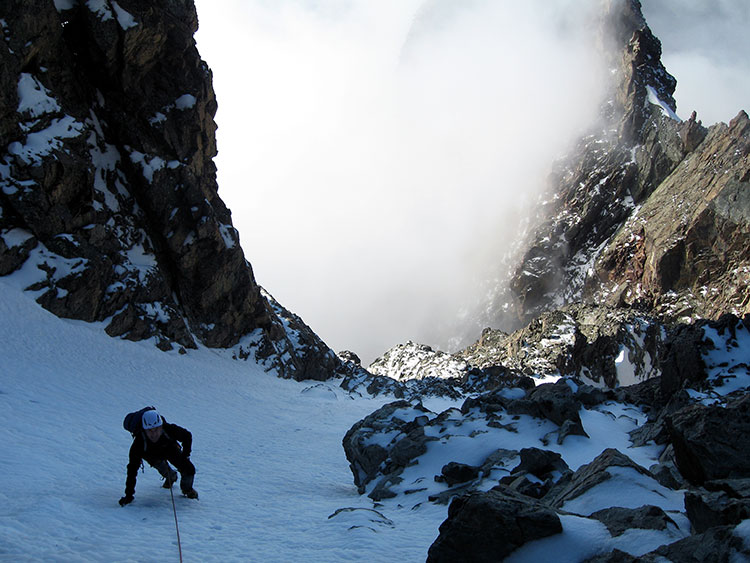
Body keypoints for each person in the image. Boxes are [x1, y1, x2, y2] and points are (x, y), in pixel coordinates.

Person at [119, 409, 198, 506]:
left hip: (170, 449)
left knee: (189, 469)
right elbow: (132, 470)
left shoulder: (169, 429)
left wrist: (185, 455)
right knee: (163, 468)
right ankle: (171, 477)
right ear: (144, 429)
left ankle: (187, 490)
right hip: (151, 454)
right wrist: (129, 496)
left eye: (156, 429)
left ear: (161, 426)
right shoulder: (138, 444)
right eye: (149, 430)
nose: (153, 433)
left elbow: (187, 436)